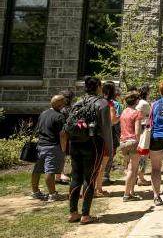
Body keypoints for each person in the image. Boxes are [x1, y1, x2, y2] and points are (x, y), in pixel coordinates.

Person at [68, 76, 113, 224]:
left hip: (75, 142)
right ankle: (85, 215)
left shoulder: (78, 102)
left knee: (75, 177)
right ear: (99, 86)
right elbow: (106, 129)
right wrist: (110, 148)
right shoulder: (102, 103)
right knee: (90, 178)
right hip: (93, 144)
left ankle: (73, 212)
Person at [30, 94, 68, 202]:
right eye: (63, 103)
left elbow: (38, 129)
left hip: (40, 145)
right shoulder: (59, 116)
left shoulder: (43, 113)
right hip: (53, 146)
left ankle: (35, 192)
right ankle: (52, 194)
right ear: (60, 104)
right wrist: (63, 148)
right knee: (50, 171)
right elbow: (62, 134)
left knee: (37, 169)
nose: (64, 105)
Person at [95, 81, 119, 197]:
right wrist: (120, 117)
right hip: (106, 136)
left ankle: (98, 188)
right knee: (102, 165)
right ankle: (98, 189)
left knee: (97, 164)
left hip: (95, 135)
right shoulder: (109, 104)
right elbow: (113, 120)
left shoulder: (96, 101)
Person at [120, 90, 143, 201]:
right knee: (132, 169)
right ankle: (126, 194)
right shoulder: (137, 113)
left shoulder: (123, 111)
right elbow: (137, 131)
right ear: (136, 101)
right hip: (133, 141)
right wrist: (139, 143)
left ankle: (131, 192)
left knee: (130, 168)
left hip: (123, 142)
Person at [55, 89, 75, 185]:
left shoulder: (62, 109)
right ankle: (62, 174)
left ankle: (61, 174)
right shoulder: (70, 109)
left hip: (63, 135)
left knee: (63, 154)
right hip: (65, 135)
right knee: (64, 154)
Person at [135, 84, 152, 186]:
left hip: (140, 129)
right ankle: (141, 177)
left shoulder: (138, 103)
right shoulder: (144, 103)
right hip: (144, 131)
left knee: (140, 154)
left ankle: (138, 176)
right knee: (143, 154)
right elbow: (151, 115)